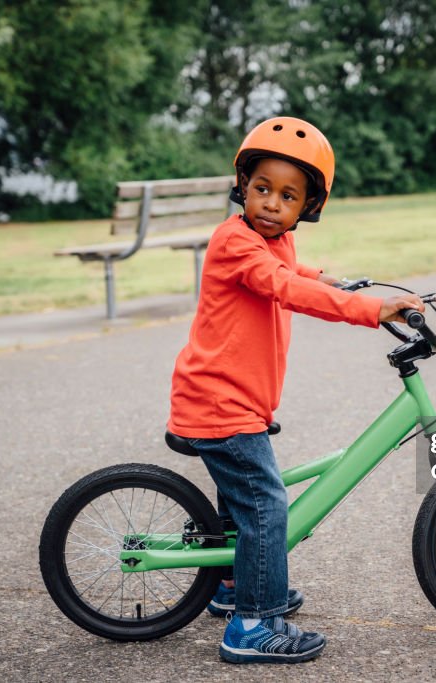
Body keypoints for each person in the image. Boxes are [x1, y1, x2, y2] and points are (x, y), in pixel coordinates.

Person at [168, 116, 423, 664]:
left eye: (288, 196)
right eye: (262, 189)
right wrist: (369, 310)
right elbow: (281, 286)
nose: (271, 204)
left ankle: (236, 587)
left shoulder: (272, 241)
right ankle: (253, 627)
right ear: (242, 185)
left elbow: (291, 268)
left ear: (305, 207)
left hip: (234, 400)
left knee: (243, 505)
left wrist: (329, 278)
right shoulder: (236, 243)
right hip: (222, 404)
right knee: (266, 506)